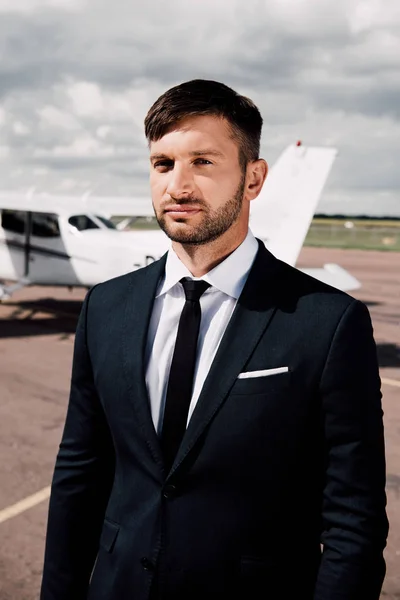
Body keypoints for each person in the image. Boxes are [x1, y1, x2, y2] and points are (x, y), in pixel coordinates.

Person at [40, 79, 388, 600]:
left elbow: (353, 518)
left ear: (253, 178)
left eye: (203, 162)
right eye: (163, 164)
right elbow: (79, 474)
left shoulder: (330, 322)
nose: (177, 186)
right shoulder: (104, 308)